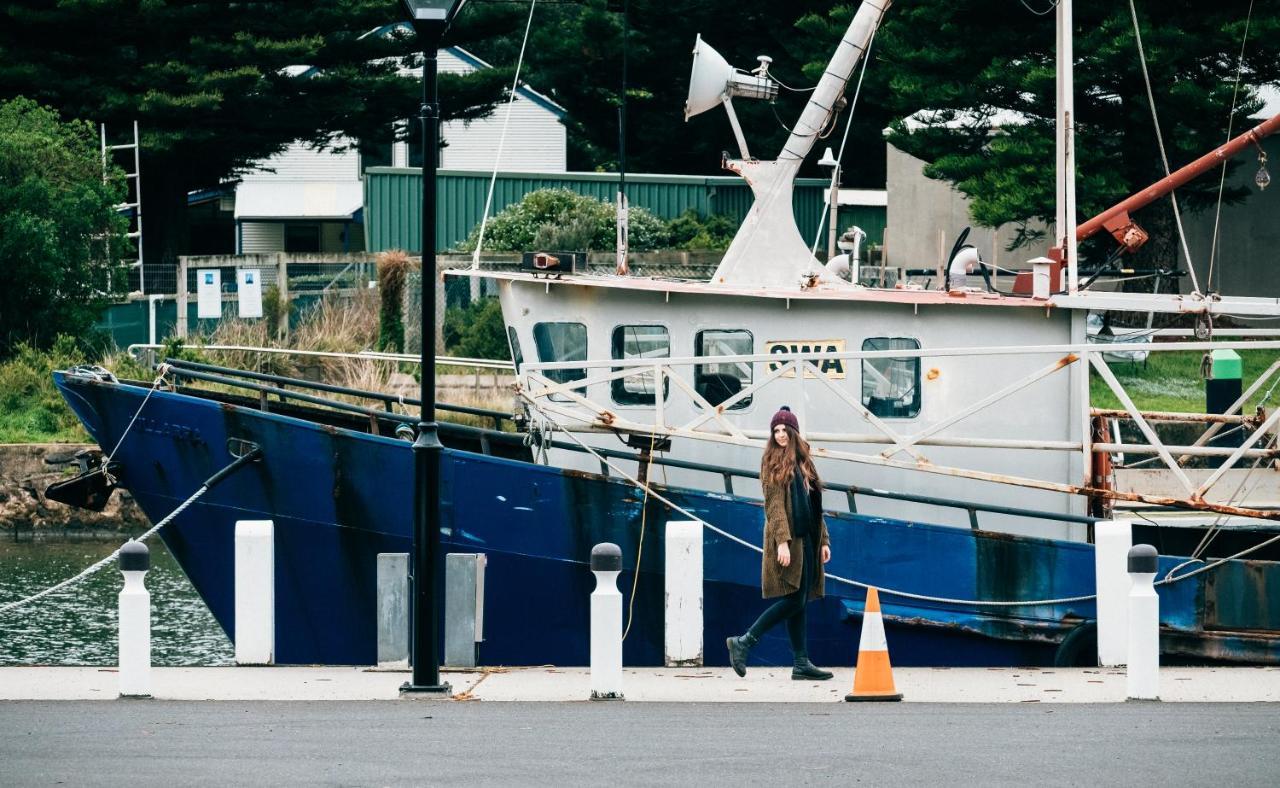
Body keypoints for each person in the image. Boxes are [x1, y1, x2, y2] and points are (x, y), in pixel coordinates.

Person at [726, 406, 834, 680]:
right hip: (789, 540)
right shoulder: (771, 461)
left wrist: (823, 540)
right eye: (776, 431)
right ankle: (744, 642)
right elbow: (773, 506)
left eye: (784, 430)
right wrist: (782, 543)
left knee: (798, 600)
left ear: (794, 432)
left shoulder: (804, 461)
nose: (780, 435)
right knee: (794, 599)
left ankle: (800, 663)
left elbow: (814, 505)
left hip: (807, 539)